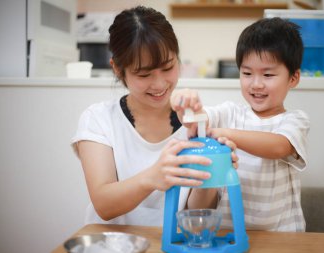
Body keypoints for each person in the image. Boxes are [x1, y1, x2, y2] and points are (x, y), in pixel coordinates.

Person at [71, 6, 235, 226]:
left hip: (174, 245)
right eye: (144, 74)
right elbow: (104, 205)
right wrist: (153, 177)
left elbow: (198, 213)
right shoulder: (99, 119)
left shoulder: (197, 120)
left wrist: (211, 173)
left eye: (168, 68)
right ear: (118, 70)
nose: (159, 84)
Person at [171, 17, 310, 232]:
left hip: (282, 236)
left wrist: (225, 133)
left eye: (268, 74)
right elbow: (199, 121)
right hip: (230, 234)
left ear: (293, 78)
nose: (256, 84)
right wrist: (185, 105)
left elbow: (278, 146)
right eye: (247, 73)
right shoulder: (231, 112)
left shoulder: (294, 120)